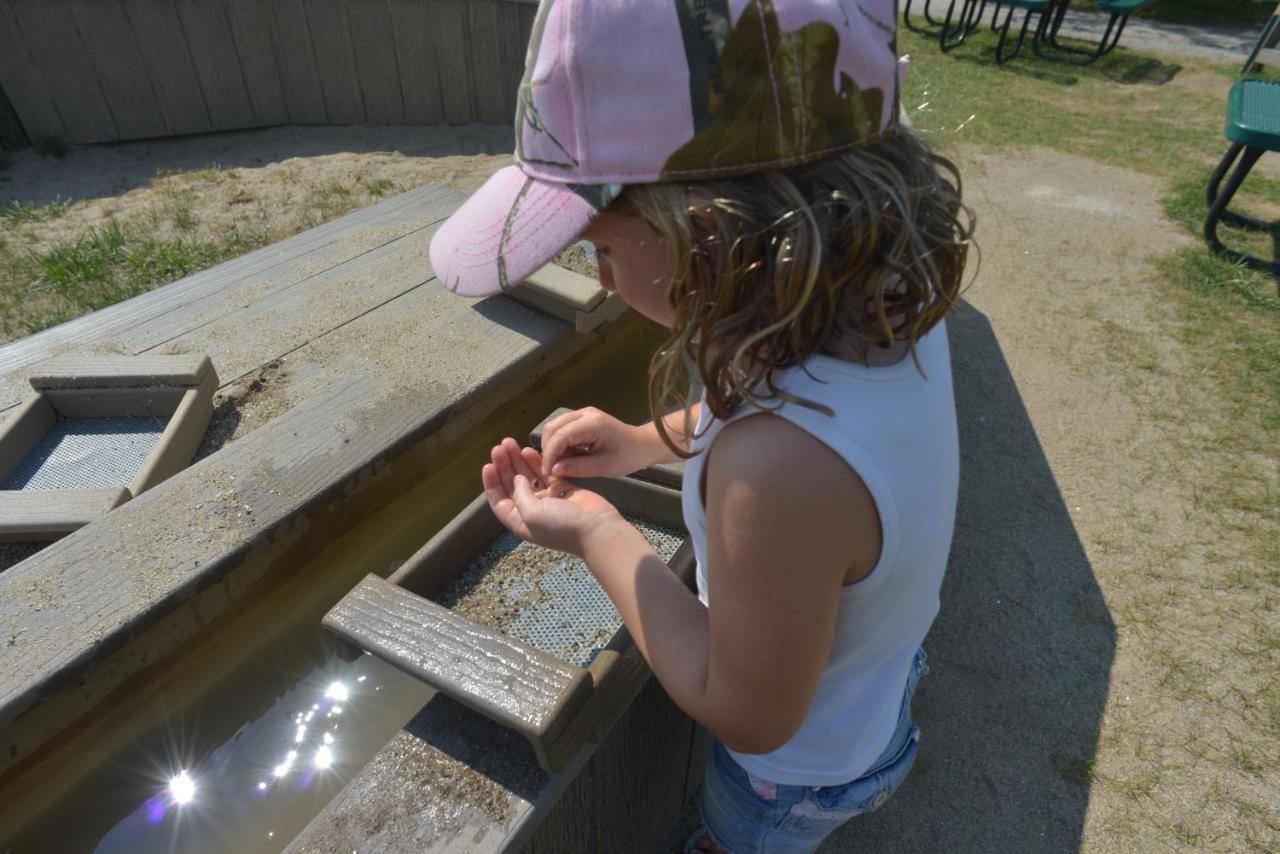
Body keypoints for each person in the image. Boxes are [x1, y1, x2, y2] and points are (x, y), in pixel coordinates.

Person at [428, 1, 973, 851]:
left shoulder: (783, 468)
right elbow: (778, 402)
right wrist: (645, 440)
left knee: (733, 835)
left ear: (710, 233)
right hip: (873, 678)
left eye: (602, 247)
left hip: (791, 778)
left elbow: (745, 709)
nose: (602, 280)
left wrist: (599, 532)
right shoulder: (873, 298)